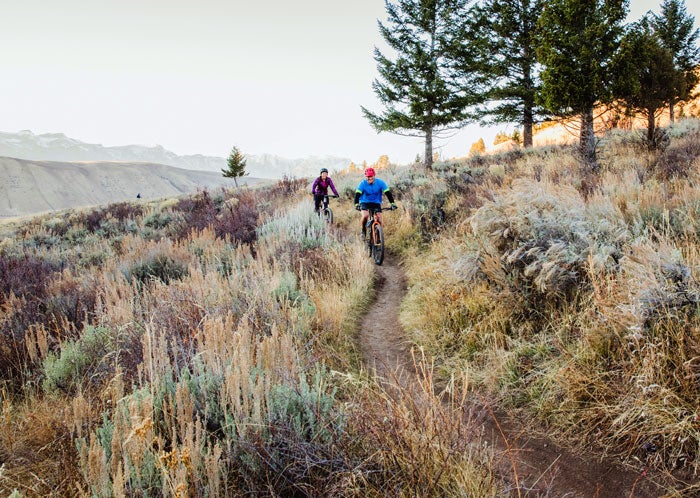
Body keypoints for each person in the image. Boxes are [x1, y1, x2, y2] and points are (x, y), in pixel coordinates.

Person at [354, 167, 396, 237]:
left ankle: (379, 237)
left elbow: (388, 193)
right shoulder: (362, 183)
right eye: (368, 177)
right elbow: (357, 194)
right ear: (366, 177)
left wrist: (392, 203)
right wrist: (356, 204)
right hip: (365, 202)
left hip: (376, 202)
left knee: (379, 219)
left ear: (374, 176)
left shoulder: (380, 183)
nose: (369, 178)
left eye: (371, 176)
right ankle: (363, 230)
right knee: (365, 215)